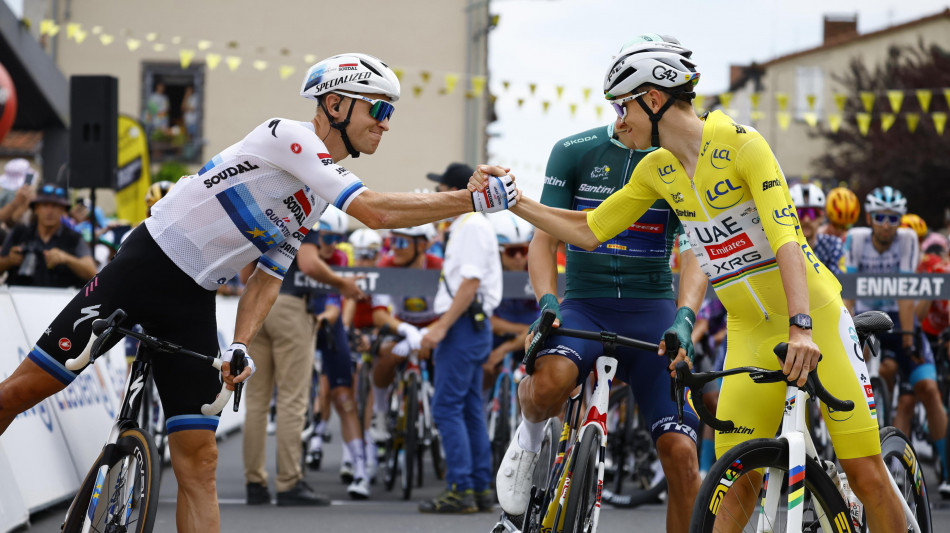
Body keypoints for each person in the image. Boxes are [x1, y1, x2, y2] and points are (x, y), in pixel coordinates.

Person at [0, 52, 517, 532]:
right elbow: (376, 213)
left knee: (199, 460)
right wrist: (470, 200)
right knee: (21, 392)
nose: (385, 120)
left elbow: (268, 276)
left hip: (193, 299)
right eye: (378, 107)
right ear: (334, 104)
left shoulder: (315, 195)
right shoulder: (286, 136)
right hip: (145, 267)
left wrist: (242, 340)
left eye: (391, 112)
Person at [475, 36, 906, 530]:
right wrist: (513, 198)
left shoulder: (742, 144)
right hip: (748, 330)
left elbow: (786, 238)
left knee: (866, 473)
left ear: (653, 100)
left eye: (623, 107)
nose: (619, 122)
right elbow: (586, 228)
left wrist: (802, 327)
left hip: (814, 318)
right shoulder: (657, 168)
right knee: (734, 482)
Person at [495, 37, 701, 529]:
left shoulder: (683, 162)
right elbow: (544, 241)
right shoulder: (575, 151)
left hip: (653, 314)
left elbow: (697, 251)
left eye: (624, 102)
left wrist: (685, 317)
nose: (619, 113)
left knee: (682, 455)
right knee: (551, 384)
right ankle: (526, 438)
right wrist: (548, 301)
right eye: (616, 104)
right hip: (583, 306)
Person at [243, 208, 367, 506]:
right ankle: (288, 482)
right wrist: (341, 284)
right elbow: (309, 264)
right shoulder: (303, 210)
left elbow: (246, 273)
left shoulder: (263, 211)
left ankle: (255, 483)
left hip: (257, 304)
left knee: (257, 402)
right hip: (291, 305)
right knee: (291, 399)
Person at [843, 187, 948, 497]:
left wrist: (907, 341)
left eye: (892, 218)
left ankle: (946, 470)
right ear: (869, 218)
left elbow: (905, 294)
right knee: (869, 373)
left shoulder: (907, 240)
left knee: (928, 388)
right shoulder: (856, 239)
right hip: (865, 318)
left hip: (900, 321)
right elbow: (848, 292)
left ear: (900, 220)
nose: (886, 224)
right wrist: (848, 332)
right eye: (880, 218)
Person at [418, 163, 502, 514]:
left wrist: (441, 326)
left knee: (447, 407)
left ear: (453, 190)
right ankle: (479, 486)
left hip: (463, 327)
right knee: (468, 408)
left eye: (440, 188)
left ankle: (460, 487)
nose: (437, 195)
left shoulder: (469, 227)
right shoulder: (469, 226)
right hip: (472, 326)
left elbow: (468, 283)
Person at [369, 223, 443, 440]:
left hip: (434, 326)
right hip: (400, 326)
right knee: (386, 355)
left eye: (401, 242)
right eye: (392, 242)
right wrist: (406, 329)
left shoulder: (439, 267)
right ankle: (380, 413)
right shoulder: (385, 266)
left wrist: (426, 334)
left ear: (421, 246)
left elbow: (450, 311)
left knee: (446, 359)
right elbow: (379, 314)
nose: (395, 249)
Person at [0, 184, 97, 287]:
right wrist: (9, 261)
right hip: (19, 296)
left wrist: (66, 259)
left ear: (64, 210)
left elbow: (92, 272)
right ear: (36, 208)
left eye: (55, 206)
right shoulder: (19, 233)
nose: (50, 211)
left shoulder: (74, 238)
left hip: (61, 299)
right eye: (45, 205)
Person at [483, 211, 537, 389]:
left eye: (523, 250)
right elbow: (486, 320)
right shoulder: (485, 272)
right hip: (504, 335)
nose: (519, 258)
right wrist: (524, 330)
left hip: (534, 337)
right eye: (512, 251)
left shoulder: (539, 266)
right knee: (481, 369)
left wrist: (503, 350)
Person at [790, 183, 844, 275]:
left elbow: (839, 282)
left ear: (821, 217)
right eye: (800, 213)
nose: (806, 220)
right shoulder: (781, 250)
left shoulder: (833, 245)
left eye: (812, 213)